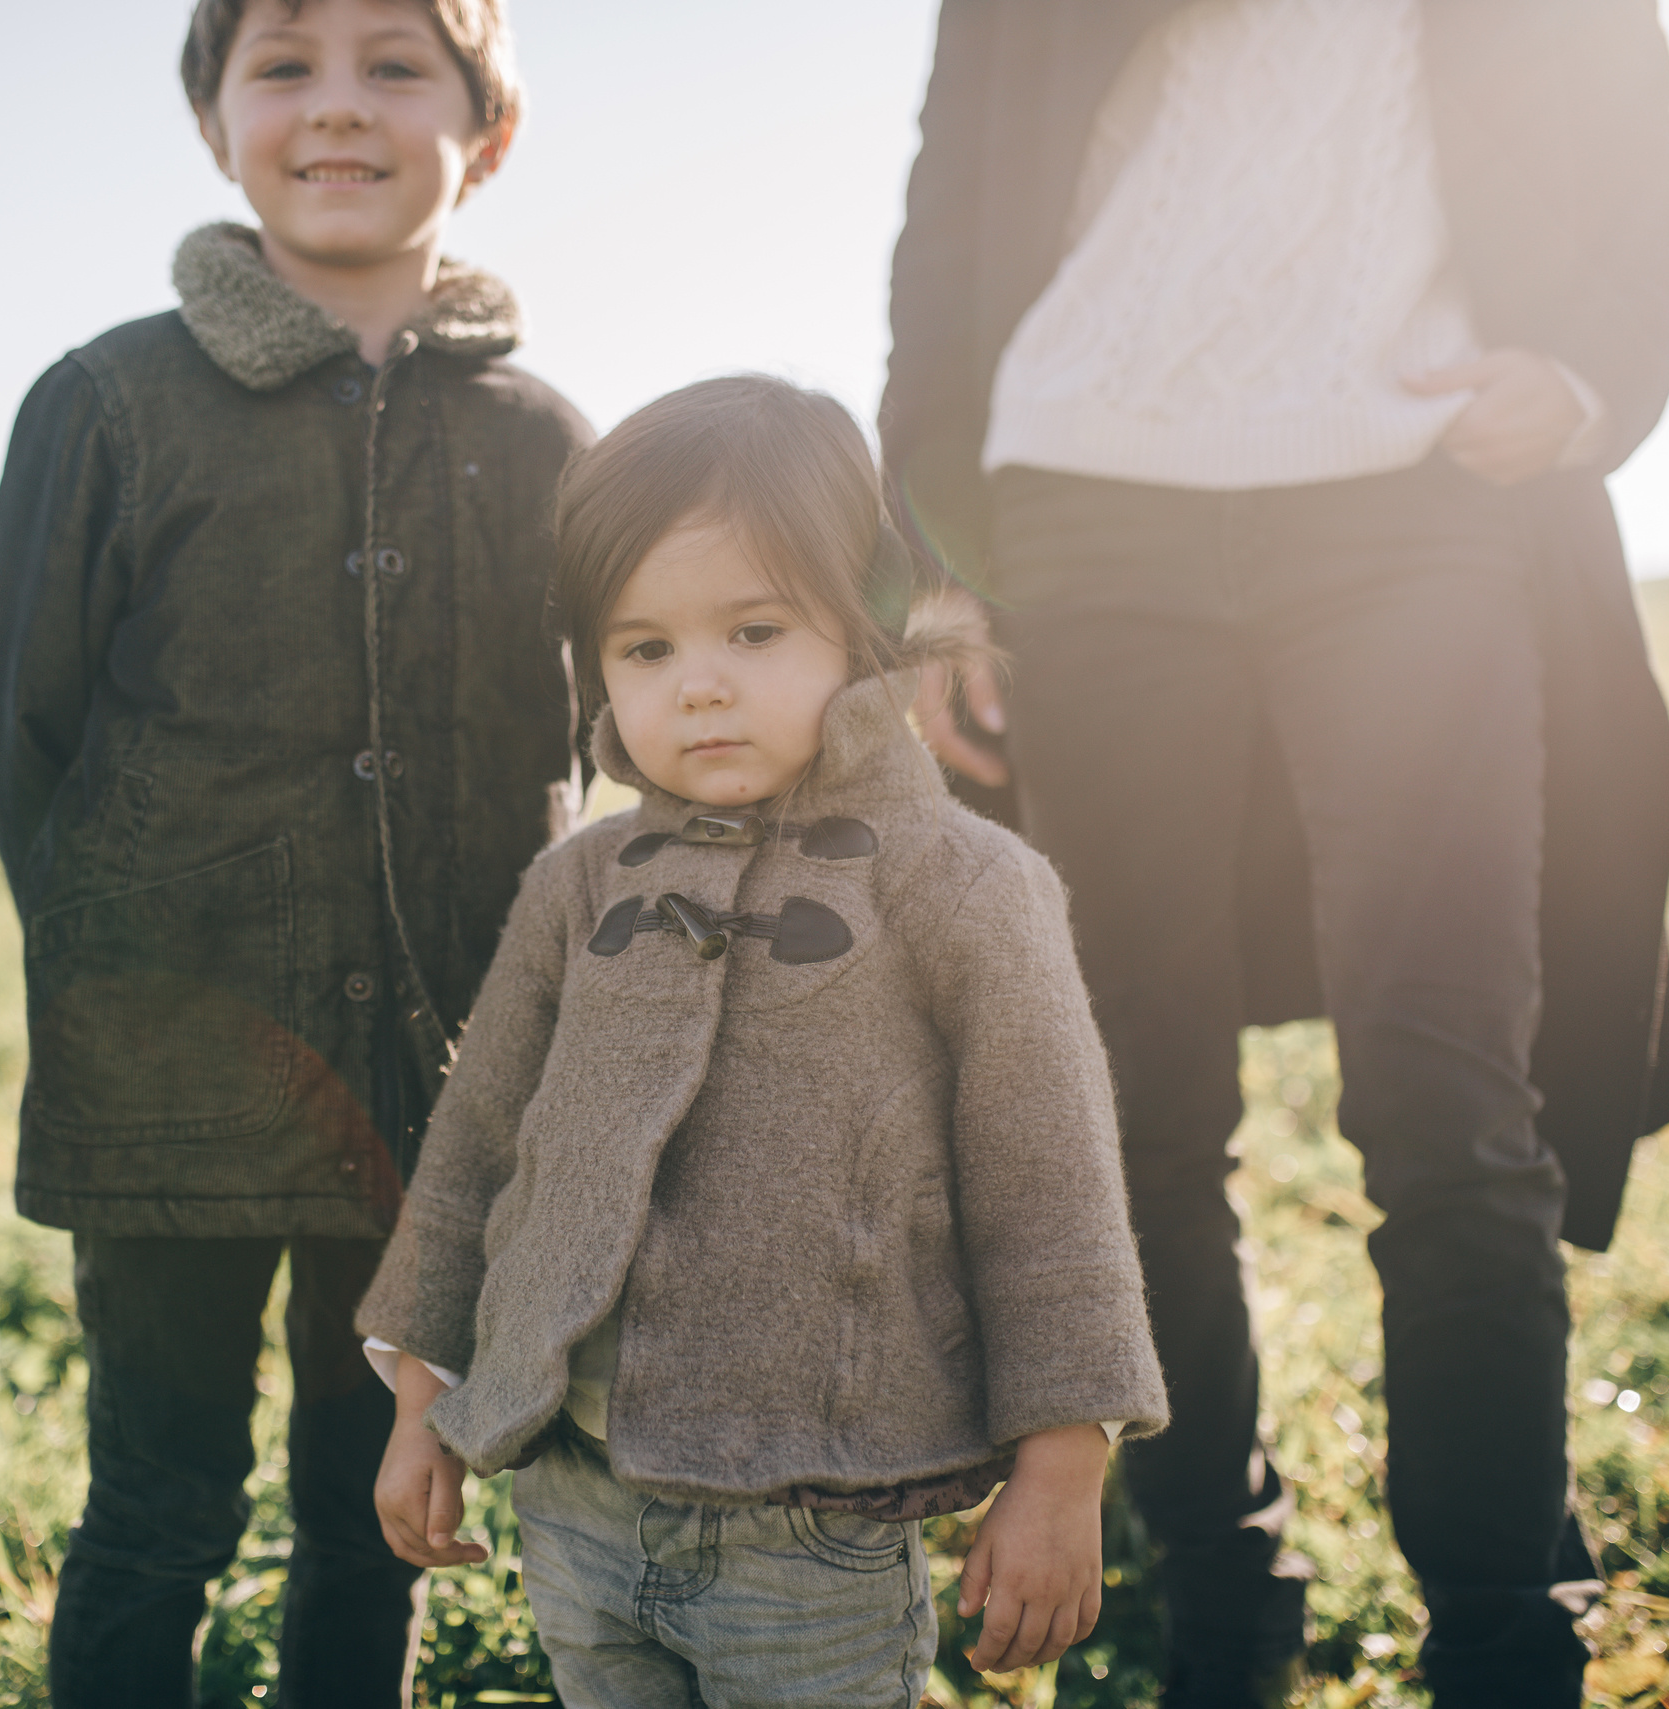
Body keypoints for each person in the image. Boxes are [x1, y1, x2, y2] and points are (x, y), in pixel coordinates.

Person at [880, 3, 1669, 1706]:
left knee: (1453, 1096)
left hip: (1419, 491)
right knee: (1136, 1113)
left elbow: (1629, 132)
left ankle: (1504, 1633)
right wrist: (934, 577)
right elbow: (951, 203)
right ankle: (1223, 1589)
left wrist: (1592, 371)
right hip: (1084, 505)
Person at [355, 376, 1171, 1703]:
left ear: (864, 629)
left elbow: (1054, 1195)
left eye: (754, 628)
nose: (702, 688)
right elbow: (473, 1153)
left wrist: (1064, 1467)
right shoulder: (579, 888)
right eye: (646, 648)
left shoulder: (962, 885)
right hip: (574, 1494)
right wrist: (423, 1399)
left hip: (819, 1519)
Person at [0, 0, 590, 1700]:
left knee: (372, 1501)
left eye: (400, 65)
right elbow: (24, 730)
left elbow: (608, 730)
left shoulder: (544, 436)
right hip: (170, 1070)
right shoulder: (108, 403)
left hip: (434, 1086)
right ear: (210, 119)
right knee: (155, 1497)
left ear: (491, 130)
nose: (339, 107)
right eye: (286, 66)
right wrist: (130, 967)